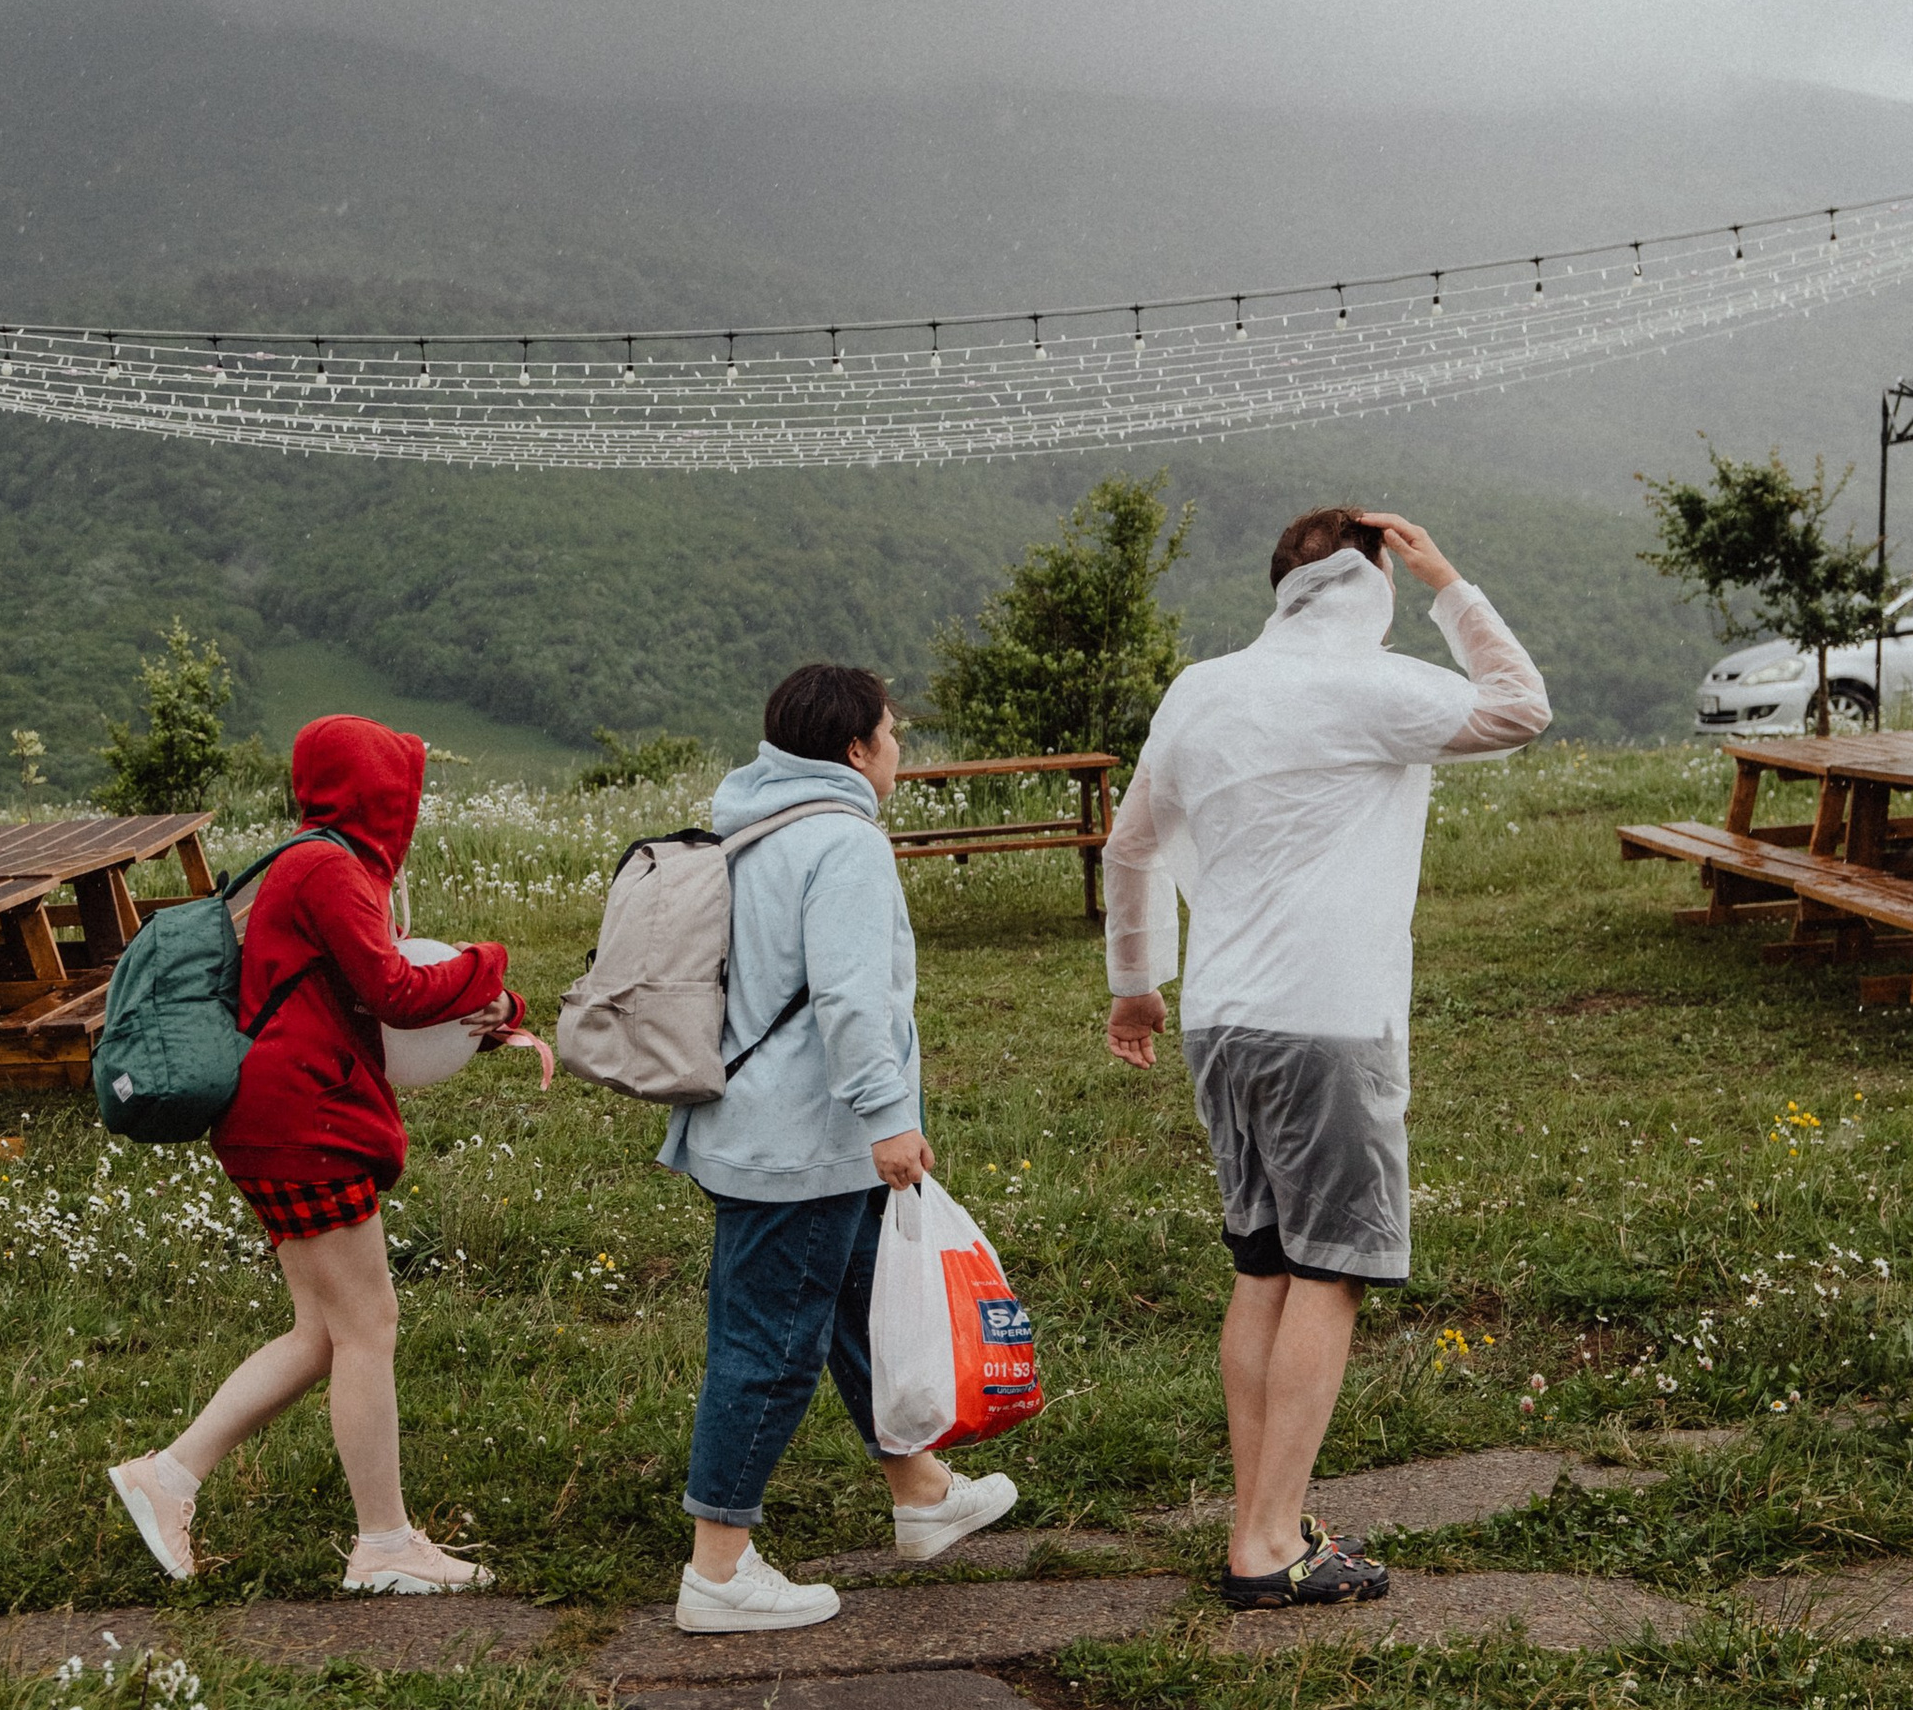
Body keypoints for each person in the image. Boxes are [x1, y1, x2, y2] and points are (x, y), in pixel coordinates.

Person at [1103, 509, 1549, 1610]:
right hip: (1328, 1025)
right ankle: (1265, 1546)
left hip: (1220, 1020)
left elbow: (1129, 845)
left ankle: (1260, 1516)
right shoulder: (1373, 685)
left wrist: (1134, 984)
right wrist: (1448, 579)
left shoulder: (1200, 689)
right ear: (1372, 583)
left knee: (1261, 1265)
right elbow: (1520, 707)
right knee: (1330, 1269)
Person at [108, 715, 517, 1595]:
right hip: (306, 1124)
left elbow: (362, 1002)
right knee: (369, 1327)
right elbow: (396, 991)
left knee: (325, 1332)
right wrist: (490, 962)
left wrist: (491, 1018)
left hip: (280, 1118)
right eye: (404, 791)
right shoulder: (328, 867)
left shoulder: (315, 860)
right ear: (379, 792)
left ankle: (168, 1476)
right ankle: (384, 1545)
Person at [661, 660, 1020, 1633]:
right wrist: (888, 1116)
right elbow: (851, 998)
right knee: (769, 1348)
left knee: (860, 1309)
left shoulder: (746, 828)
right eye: (893, 734)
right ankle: (718, 1571)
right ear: (856, 749)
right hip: (806, 1142)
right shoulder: (843, 841)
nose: (899, 750)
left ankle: (921, 1493)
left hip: (736, 1122)